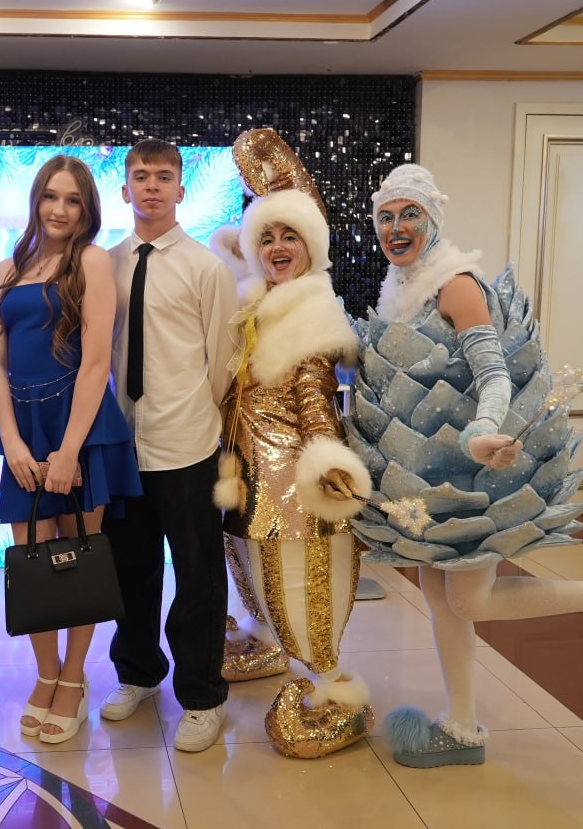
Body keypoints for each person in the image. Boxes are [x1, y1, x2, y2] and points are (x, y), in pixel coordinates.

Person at [348, 163, 583, 768]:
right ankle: (462, 727)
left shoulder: (455, 283)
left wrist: (483, 429)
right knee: (441, 599)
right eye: (386, 217)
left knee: (471, 602)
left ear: (433, 219)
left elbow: (494, 374)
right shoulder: (400, 286)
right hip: (426, 479)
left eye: (410, 215)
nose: (396, 228)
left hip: (470, 473)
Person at [211, 128, 373, 759]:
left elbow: (315, 398)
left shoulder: (310, 311)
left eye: (289, 236)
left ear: (311, 246)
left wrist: (328, 459)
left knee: (301, 585)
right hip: (250, 474)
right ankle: (268, 641)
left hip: (293, 485)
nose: (277, 248)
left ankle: (335, 688)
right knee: (255, 575)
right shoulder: (257, 305)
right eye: (267, 237)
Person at [0, 154, 142, 744]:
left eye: (73, 200)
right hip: (23, 429)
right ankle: (45, 674)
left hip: (81, 426)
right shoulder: (6, 268)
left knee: (79, 559)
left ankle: (73, 679)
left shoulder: (92, 262)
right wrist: (13, 443)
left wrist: (70, 450)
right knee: (31, 560)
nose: (60, 209)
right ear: (36, 200)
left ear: (87, 209)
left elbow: (97, 361)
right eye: (51, 196)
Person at [100, 139, 240, 753]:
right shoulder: (105, 264)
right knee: (130, 570)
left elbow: (223, 358)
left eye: (163, 177)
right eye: (141, 176)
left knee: (197, 575)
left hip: (186, 441)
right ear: (125, 189)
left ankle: (203, 696)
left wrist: (196, 416)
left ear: (181, 189)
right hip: (121, 443)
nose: (152, 186)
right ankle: (138, 672)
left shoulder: (206, 267)